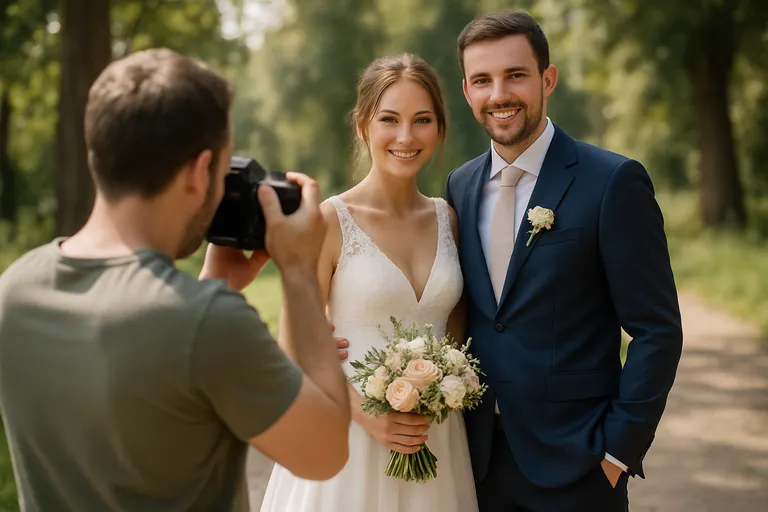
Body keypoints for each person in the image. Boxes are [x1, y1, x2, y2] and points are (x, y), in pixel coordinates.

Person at [0, 48, 351, 511]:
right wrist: (301, 273)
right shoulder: (207, 324)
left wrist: (214, 284)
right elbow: (324, 452)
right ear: (199, 171)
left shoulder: (17, 289)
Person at [444, 11, 684, 511]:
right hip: (475, 462)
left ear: (547, 79)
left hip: (580, 465)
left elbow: (656, 329)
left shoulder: (612, 182)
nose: (499, 94)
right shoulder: (459, 187)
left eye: (515, 75)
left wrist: (618, 449)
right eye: (483, 80)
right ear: (466, 91)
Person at [260, 53, 479, 512]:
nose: (405, 136)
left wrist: (442, 388)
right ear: (362, 126)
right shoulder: (330, 221)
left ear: (439, 129)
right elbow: (290, 348)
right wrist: (366, 415)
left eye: (422, 120)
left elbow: (457, 336)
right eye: (389, 119)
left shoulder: (449, 219)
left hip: (434, 437)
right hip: (350, 438)